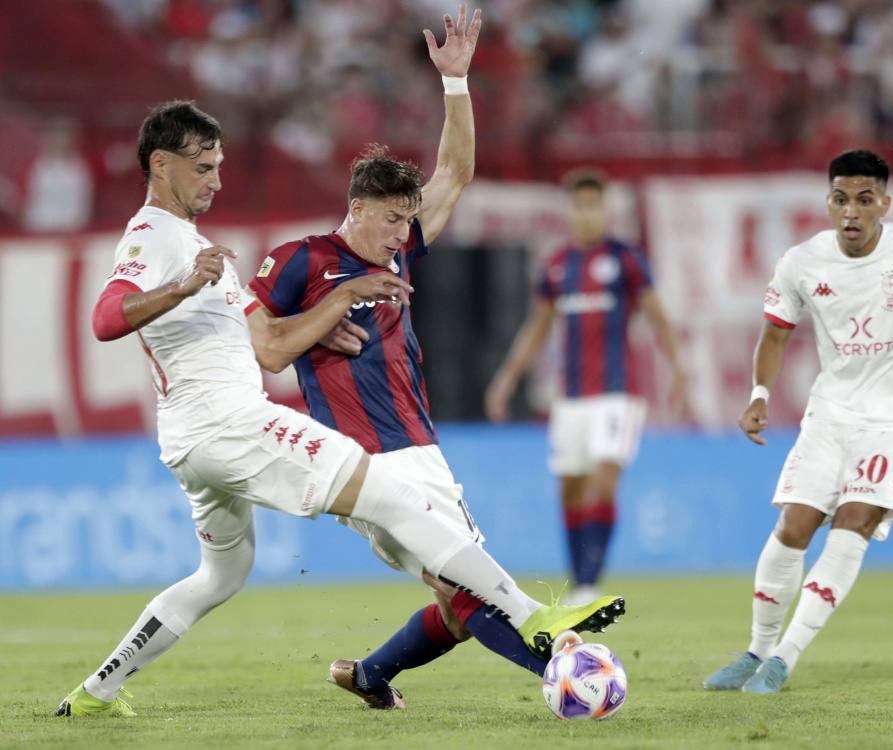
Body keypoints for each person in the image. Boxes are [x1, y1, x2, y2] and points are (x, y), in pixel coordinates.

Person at [55, 93, 623, 718]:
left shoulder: (194, 242)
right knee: (394, 499)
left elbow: (264, 337)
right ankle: (535, 618)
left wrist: (317, 323)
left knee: (221, 576)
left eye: (218, 167)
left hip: (196, 439)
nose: (216, 180)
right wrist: (194, 284)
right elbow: (106, 318)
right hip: (229, 423)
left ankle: (95, 693)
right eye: (203, 168)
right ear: (160, 164)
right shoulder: (157, 235)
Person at [246, 5, 622, 710]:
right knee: (470, 587)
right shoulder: (301, 261)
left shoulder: (399, 250)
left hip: (420, 447)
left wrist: (455, 83)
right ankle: (565, 671)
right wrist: (331, 309)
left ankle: (371, 673)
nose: (402, 232)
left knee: (455, 599)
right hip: (364, 458)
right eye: (391, 218)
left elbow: (456, 169)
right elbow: (265, 350)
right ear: (358, 208)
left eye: (407, 219)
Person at [704, 149, 893, 694]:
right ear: (828, 202)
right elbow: (775, 333)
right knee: (793, 526)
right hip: (829, 416)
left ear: (884, 204)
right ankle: (756, 652)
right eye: (841, 199)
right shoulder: (802, 261)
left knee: (854, 522)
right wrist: (759, 395)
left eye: (865, 200)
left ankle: (784, 659)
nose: (852, 211)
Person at [484, 169, 690, 605]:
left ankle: (590, 583)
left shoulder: (625, 259)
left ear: (605, 209)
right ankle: (579, 582)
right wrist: (506, 379)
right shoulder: (558, 264)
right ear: (570, 211)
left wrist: (678, 374)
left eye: (595, 205)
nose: (587, 214)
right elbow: (537, 328)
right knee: (571, 489)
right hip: (572, 398)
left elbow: (658, 317)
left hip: (617, 394)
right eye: (580, 206)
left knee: (603, 478)